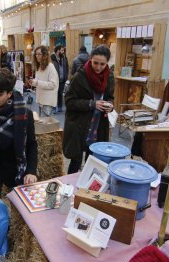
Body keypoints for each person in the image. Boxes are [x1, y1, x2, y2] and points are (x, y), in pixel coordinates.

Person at [0, 68, 38, 198]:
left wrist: (31, 171)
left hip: (16, 163)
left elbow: (31, 143)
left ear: (9, 94)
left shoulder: (24, 112)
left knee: (19, 204)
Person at [63, 45, 115, 174]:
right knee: (75, 162)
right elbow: (69, 102)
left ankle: (85, 190)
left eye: (102, 64)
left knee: (92, 162)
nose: (98, 67)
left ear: (107, 63)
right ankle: (70, 189)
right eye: (95, 63)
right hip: (79, 126)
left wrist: (110, 106)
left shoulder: (109, 77)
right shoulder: (79, 77)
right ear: (90, 59)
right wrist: (91, 104)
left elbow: (110, 98)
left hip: (98, 127)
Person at [29, 45, 59, 117]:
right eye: (36, 54)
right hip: (41, 100)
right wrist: (33, 82)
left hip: (47, 101)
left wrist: (37, 82)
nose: (37, 56)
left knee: (45, 125)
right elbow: (39, 82)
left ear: (45, 55)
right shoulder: (39, 67)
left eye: (39, 54)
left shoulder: (50, 67)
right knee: (42, 123)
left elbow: (53, 84)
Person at [51, 44, 69, 113]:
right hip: (55, 80)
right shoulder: (52, 58)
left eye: (63, 50)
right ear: (57, 51)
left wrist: (66, 76)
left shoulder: (64, 58)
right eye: (61, 50)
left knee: (60, 93)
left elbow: (67, 67)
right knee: (54, 93)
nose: (63, 52)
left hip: (62, 79)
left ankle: (60, 107)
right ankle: (54, 107)